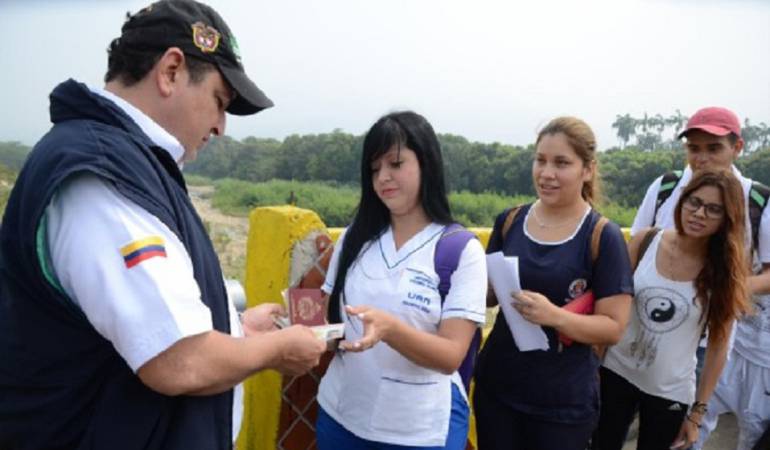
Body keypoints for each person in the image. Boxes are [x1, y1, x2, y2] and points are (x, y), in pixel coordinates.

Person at [0, 1, 326, 449]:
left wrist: (238, 329)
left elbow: (136, 316)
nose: (220, 127)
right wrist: (276, 349)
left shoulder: (127, 162)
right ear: (171, 71)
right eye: (219, 101)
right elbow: (179, 359)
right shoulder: (102, 177)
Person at [315, 111, 488, 449]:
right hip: (341, 416)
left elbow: (451, 354)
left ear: (426, 163)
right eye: (375, 169)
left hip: (417, 430)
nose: (383, 178)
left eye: (395, 164)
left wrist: (390, 330)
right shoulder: (355, 239)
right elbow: (329, 320)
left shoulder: (459, 250)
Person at [473, 116, 633, 450]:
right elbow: (487, 297)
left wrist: (554, 316)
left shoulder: (602, 236)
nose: (546, 173)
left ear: (587, 169)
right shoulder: (510, 221)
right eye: (540, 160)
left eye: (562, 163)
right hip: (499, 386)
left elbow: (613, 328)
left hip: (562, 401)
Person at [629, 107, 770, 450]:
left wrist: (719, 292)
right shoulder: (666, 187)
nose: (702, 158)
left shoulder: (757, 200)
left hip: (715, 339)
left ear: (737, 147)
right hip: (645, 331)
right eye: (694, 148)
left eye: (713, 148)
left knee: (686, 431)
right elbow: (636, 247)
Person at [593, 169, 751, 450]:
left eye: (714, 209)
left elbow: (718, 346)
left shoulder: (723, 272)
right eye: (694, 202)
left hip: (669, 391)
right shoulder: (645, 241)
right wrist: (593, 366)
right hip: (615, 372)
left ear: (728, 219)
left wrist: (697, 414)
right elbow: (610, 307)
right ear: (682, 201)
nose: (699, 214)